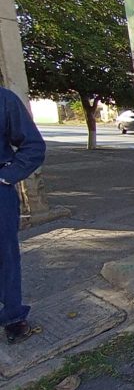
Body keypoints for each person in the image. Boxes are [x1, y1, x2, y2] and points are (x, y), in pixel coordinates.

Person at [0, 86, 45, 344]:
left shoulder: (4, 100)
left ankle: (13, 317)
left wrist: (7, 177)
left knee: (5, 254)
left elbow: (33, 146)